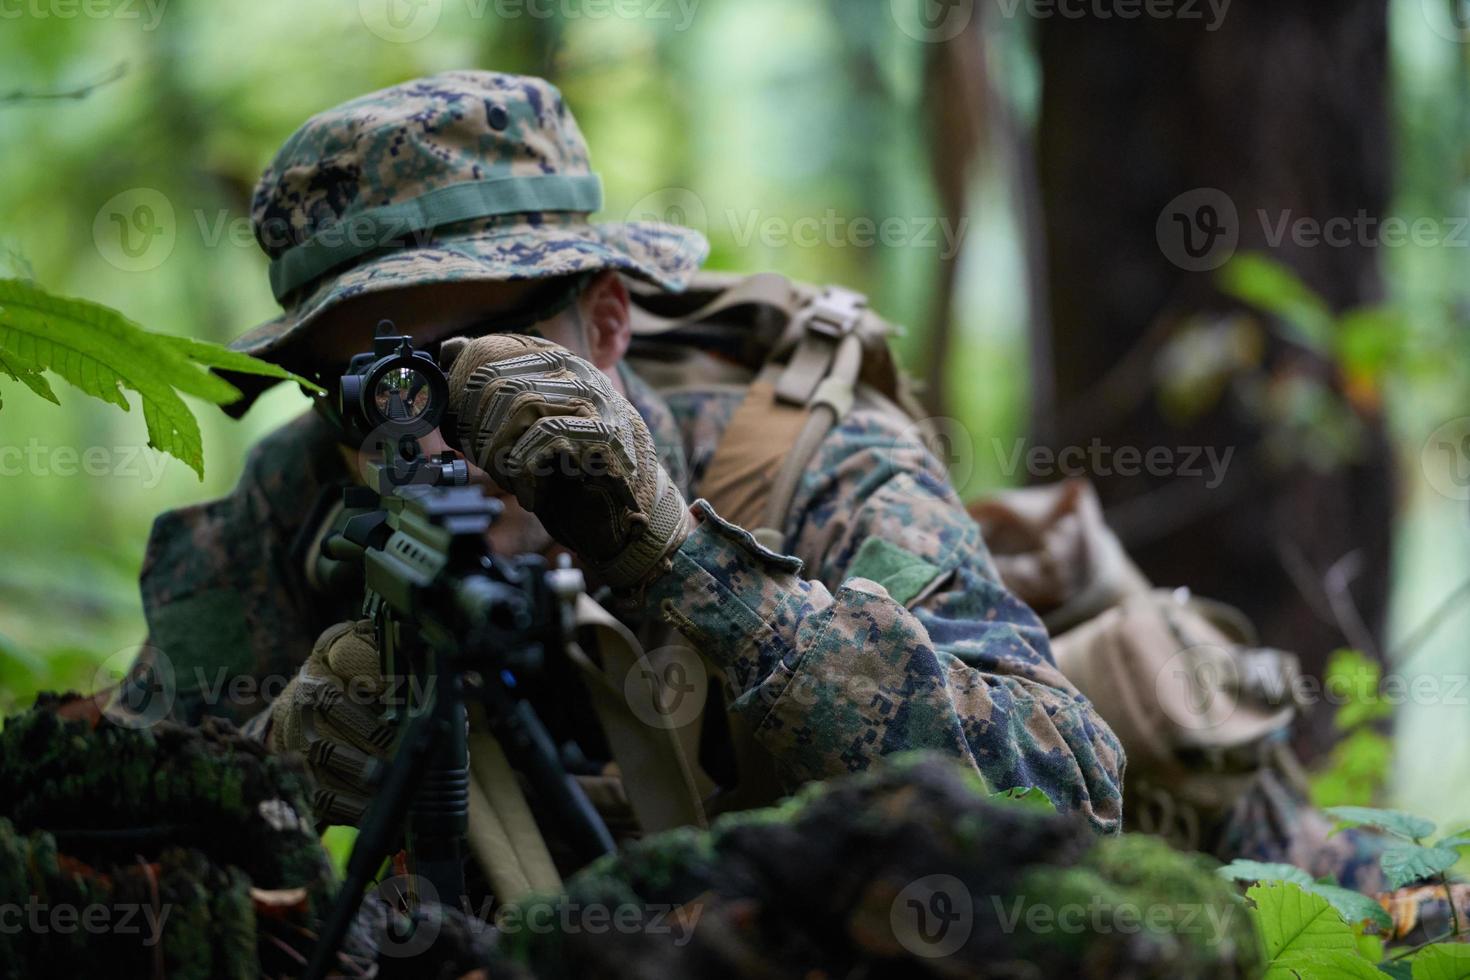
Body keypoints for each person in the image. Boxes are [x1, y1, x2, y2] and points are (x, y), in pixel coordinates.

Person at [122, 70, 1123, 858]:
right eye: (374, 387)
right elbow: (87, 853)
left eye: (473, 365)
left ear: (605, 323)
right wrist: (264, 776)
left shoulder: (801, 462)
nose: (423, 437)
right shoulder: (288, 510)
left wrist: (688, 566)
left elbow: (1066, 799)